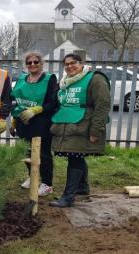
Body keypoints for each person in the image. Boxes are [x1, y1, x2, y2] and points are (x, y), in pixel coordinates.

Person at [48, 53, 111, 208]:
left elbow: (103, 104)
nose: (70, 66)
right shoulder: (64, 82)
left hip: (84, 125)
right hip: (68, 125)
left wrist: (96, 130)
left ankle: (68, 197)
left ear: (82, 63)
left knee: (75, 157)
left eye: (73, 63)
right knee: (76, 156)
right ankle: (82, 188)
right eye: (66, 64)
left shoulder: (95, 79)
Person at [10, 52, 58, 197]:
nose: (32, 65)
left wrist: (37, 109)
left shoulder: (49, 79)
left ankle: (47, 183)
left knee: (43, 153)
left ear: (41, 63)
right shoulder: (22, 79)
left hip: (41, 121)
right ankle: (33, 177)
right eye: (29, 62)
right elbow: (14, 100)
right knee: (26, 151)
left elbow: (53, 103)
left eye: (36, 62)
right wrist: (14, 119)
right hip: (23, 121)